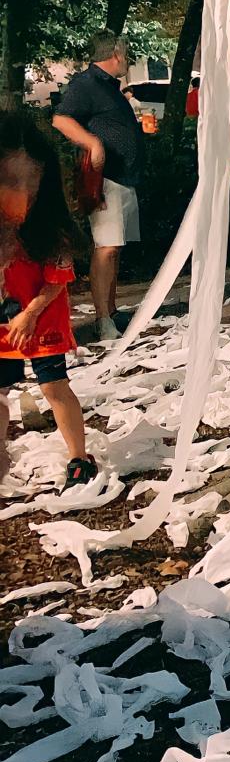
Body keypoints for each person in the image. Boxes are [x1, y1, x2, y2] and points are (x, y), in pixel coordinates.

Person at [0, 112, 95, 490]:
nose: (20, 192)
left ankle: (79, 457)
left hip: (42, 319)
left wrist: (30, 313)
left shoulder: (52, 228)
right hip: (6, 320)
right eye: (9, 180)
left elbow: (57, 281)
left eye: (29, 181)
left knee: (54, 387)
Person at [51, 33, 143, 342]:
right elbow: (61, 120)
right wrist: (92, 143)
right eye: (126, 54)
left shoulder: (109, 87)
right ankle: (103, 319)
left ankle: (112, 312)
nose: (128, 60)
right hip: (106, 180)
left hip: (124, 177)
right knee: (106, 247)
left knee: (115, 247)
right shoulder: (87, 83)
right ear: (115, 54)